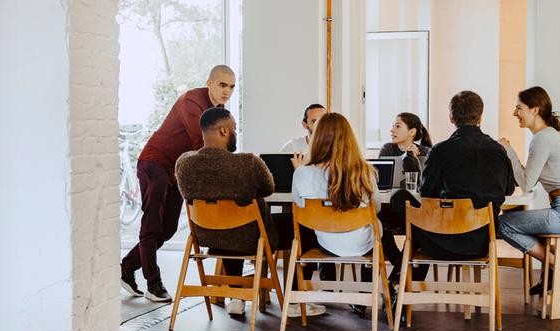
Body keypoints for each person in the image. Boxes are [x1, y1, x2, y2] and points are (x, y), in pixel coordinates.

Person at [120, 65, 236, 302]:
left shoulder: (220, 110)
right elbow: (201, 142)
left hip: (176, 171)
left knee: (169, 227)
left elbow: (219, 145)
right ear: (210, 83)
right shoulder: (191, 101)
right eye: (223, 85)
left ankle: (126, 268)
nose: (227, 91)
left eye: (232, 87)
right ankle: (154, 283)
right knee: (152, 223)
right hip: (155, 163)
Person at [388, 90, 516, 283]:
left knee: (401, 199)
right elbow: (509, 190)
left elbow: (426, 194)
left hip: (440, 240)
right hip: (482, 242)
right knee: (418, 220)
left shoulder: (440, 151)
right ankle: (401, 280)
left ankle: (401, 278)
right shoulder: (499, 151)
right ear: (480, 117)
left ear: (451, 117)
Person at [291, 112, 401, 316]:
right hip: (363, 244)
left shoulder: (302, 173)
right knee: (380, 228)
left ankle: (297, 298)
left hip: (326, 243)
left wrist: (300, 170)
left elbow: (300, 208)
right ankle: (374, 291)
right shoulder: (365, 172)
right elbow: (375, 208)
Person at [175, 107, 282, 315]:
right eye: (234, 128)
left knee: (228, 228)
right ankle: (294, 301)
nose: (235, 133)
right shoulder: (248, 162)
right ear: (224, 131)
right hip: (251, 238)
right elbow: (268, 189)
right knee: (289, 223)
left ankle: (235, 296)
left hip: (208, 238)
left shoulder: (184, 164)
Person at [498, 86, 560, 295]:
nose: (515, 113)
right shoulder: (550, 135)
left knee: (502, 224)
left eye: (519, 108)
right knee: (513, 216)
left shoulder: (543, 138)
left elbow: (525, 183)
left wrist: (509, 151)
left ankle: (559, 267)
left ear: (535, 110)